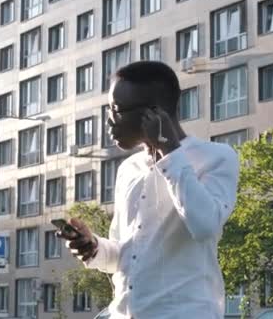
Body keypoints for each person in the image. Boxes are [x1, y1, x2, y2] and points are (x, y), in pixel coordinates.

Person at [57, 61, 240, 319]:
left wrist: (168, 151)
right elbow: (124, 256)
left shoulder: (217, 157)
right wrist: (94, 247)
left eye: (116, 110)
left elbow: (204, 225)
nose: (109, 122)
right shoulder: (128, 169)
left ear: (154, 114)